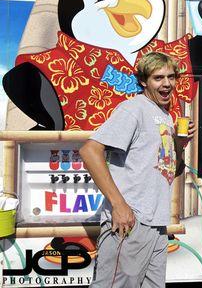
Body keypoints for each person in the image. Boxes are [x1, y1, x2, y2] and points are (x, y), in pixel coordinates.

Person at [80, 51, 195, 288]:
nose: (166, 84)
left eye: (171, 77)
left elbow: (171, 171)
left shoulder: (164, 115)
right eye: (158, 78)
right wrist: (119, 206)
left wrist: (179, 147)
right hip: (131, 222)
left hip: (156, 225)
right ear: (144, 81)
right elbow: (90, 151)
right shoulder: (134, 109)